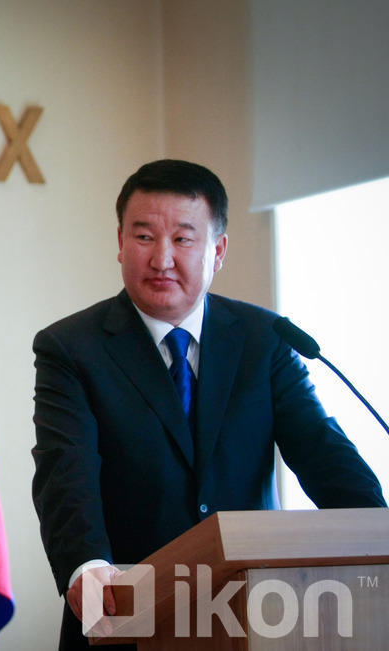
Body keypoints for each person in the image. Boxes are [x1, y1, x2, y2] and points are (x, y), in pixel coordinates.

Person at [31, 159, 386, 650]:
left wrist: (376, 531)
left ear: (217, 251)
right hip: (123, 616)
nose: (161, 259)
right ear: (120, 243)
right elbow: (65, 470)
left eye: (182, 239)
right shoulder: (71, 348)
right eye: (144, 237)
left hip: (259, 614)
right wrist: (86, 565)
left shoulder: (266, 339)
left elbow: (322, 453)